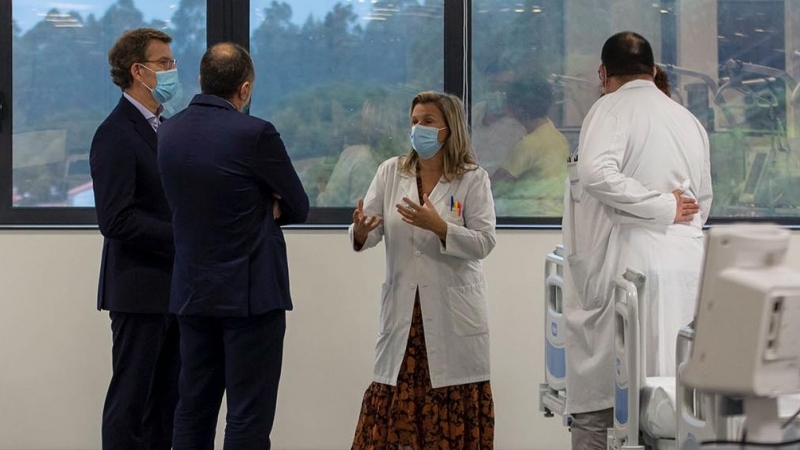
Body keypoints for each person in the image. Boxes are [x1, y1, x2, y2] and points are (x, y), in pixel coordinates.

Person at [562, 31, 712, 449]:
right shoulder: (688, 120)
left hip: (633, 266)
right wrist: (670, 211)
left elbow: (595, 174)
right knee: (672, 403)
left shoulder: (610, 108)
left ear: (603, 73)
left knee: (620, 398)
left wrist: (660, 207)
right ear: (653, 70)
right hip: (687, 267)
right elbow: (702, 201)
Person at [157, 42, 309, 449]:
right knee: (247, 416)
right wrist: (265, 205)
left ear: (203, 81)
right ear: (244, 89)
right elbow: (298, 204)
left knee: (192, 409)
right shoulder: (255, 133)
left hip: (191, 293)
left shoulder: (168, 132)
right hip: (250, 296)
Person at [349, 91, 496, 449]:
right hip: (404, 319)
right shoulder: (390, 172)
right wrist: (361, 232)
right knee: (390, 415)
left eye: (428, 122)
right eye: (414, 121)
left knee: (450, 414)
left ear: (450, 129)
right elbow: (368, 228)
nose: (419, 129)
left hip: (452, 319)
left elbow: (484, 242)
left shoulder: (472, 179)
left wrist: (441, 227)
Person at [89, 27, 180, 450]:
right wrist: (184, 234)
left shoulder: (169, 128)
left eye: (173, 63)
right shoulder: (115, 133)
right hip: (139, 290)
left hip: (176, 289)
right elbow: (116, 219)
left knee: (169, 404)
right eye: (164, 63)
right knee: (131, 404)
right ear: (137, 71)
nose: (172, 70)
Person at [491, 77, 569, 216]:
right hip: (554, 214)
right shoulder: (558, 138)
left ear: (518, 108)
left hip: (527, 216)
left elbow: (496, 186)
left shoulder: (529, 144)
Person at [317, 92, 405, 207]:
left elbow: (330, 202)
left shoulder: (353, 157)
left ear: (367, 124)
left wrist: (321, 192)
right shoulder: (409, 158)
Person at [471, 61, 527, 177]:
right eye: (492, 85)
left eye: (503, 87)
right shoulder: (476, 111)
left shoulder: (520, 124)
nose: (497, 92)